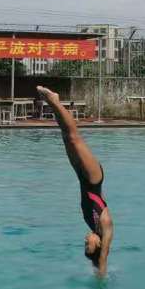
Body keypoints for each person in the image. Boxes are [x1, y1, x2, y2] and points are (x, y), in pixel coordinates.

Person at [37, 85, 114, 276]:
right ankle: (54, 99)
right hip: (94, 179)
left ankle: (52, 104)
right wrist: (101, 279)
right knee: (73, 138)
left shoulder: (92, 223)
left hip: (82, 178)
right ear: (98, 244)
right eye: (88, 244)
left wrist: (94, 266)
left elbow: (98, 259)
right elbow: (103, 258)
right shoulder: (106, 226)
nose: (85, 241)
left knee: (66, 138)